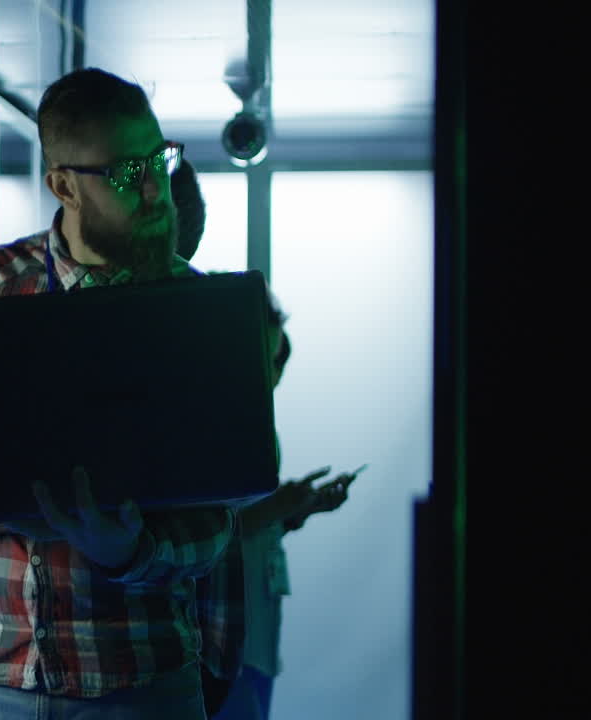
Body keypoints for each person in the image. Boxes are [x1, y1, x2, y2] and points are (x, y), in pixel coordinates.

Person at [0, 67, 234, 718]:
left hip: (138, 685)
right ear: (63, 184)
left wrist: (128, 550)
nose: (156, 186)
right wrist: (32, 486)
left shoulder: (193, 308)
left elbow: (214, 525)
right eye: (127, 172)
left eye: (157, 158)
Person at [165, 164, 358, 720]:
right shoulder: (209, 415)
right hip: (217, 640)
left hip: (249, 632)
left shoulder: (251, 421)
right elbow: (203, 525)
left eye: (274, 363)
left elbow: (241, 522)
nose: (269, 375)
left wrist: (299, 510)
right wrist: (283, 504)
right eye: (264, 359)